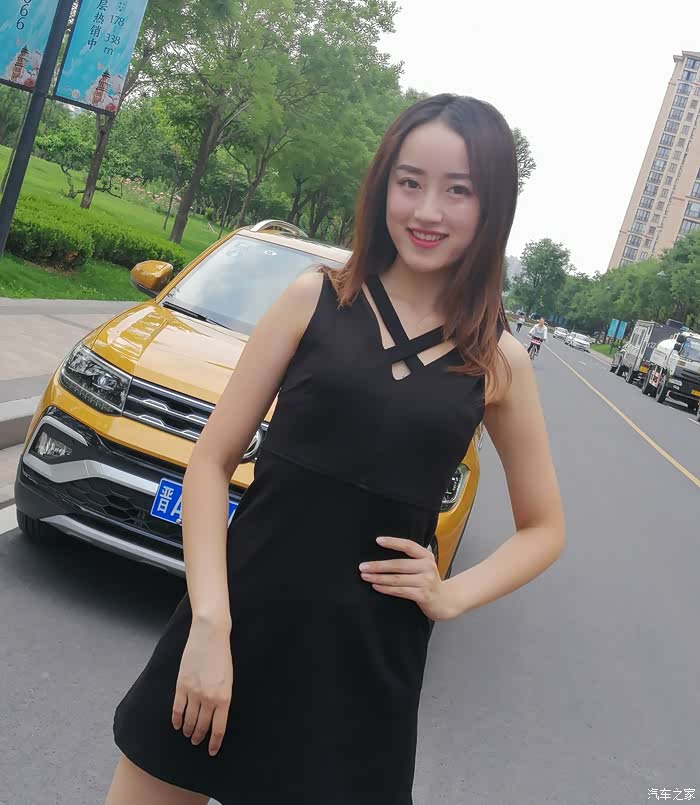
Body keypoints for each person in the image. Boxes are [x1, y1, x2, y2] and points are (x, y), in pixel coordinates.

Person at [106, 94, 565, 805]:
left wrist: (450, 593)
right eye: (409, 182)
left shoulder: (497, 359)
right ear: (383, 185)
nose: (428, 210)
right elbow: (210, 463)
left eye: (458, 190)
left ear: (492, 206)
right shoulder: (313, 299)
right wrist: (210, 623)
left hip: (363, 672)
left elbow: (545, 528)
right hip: (236, 625)